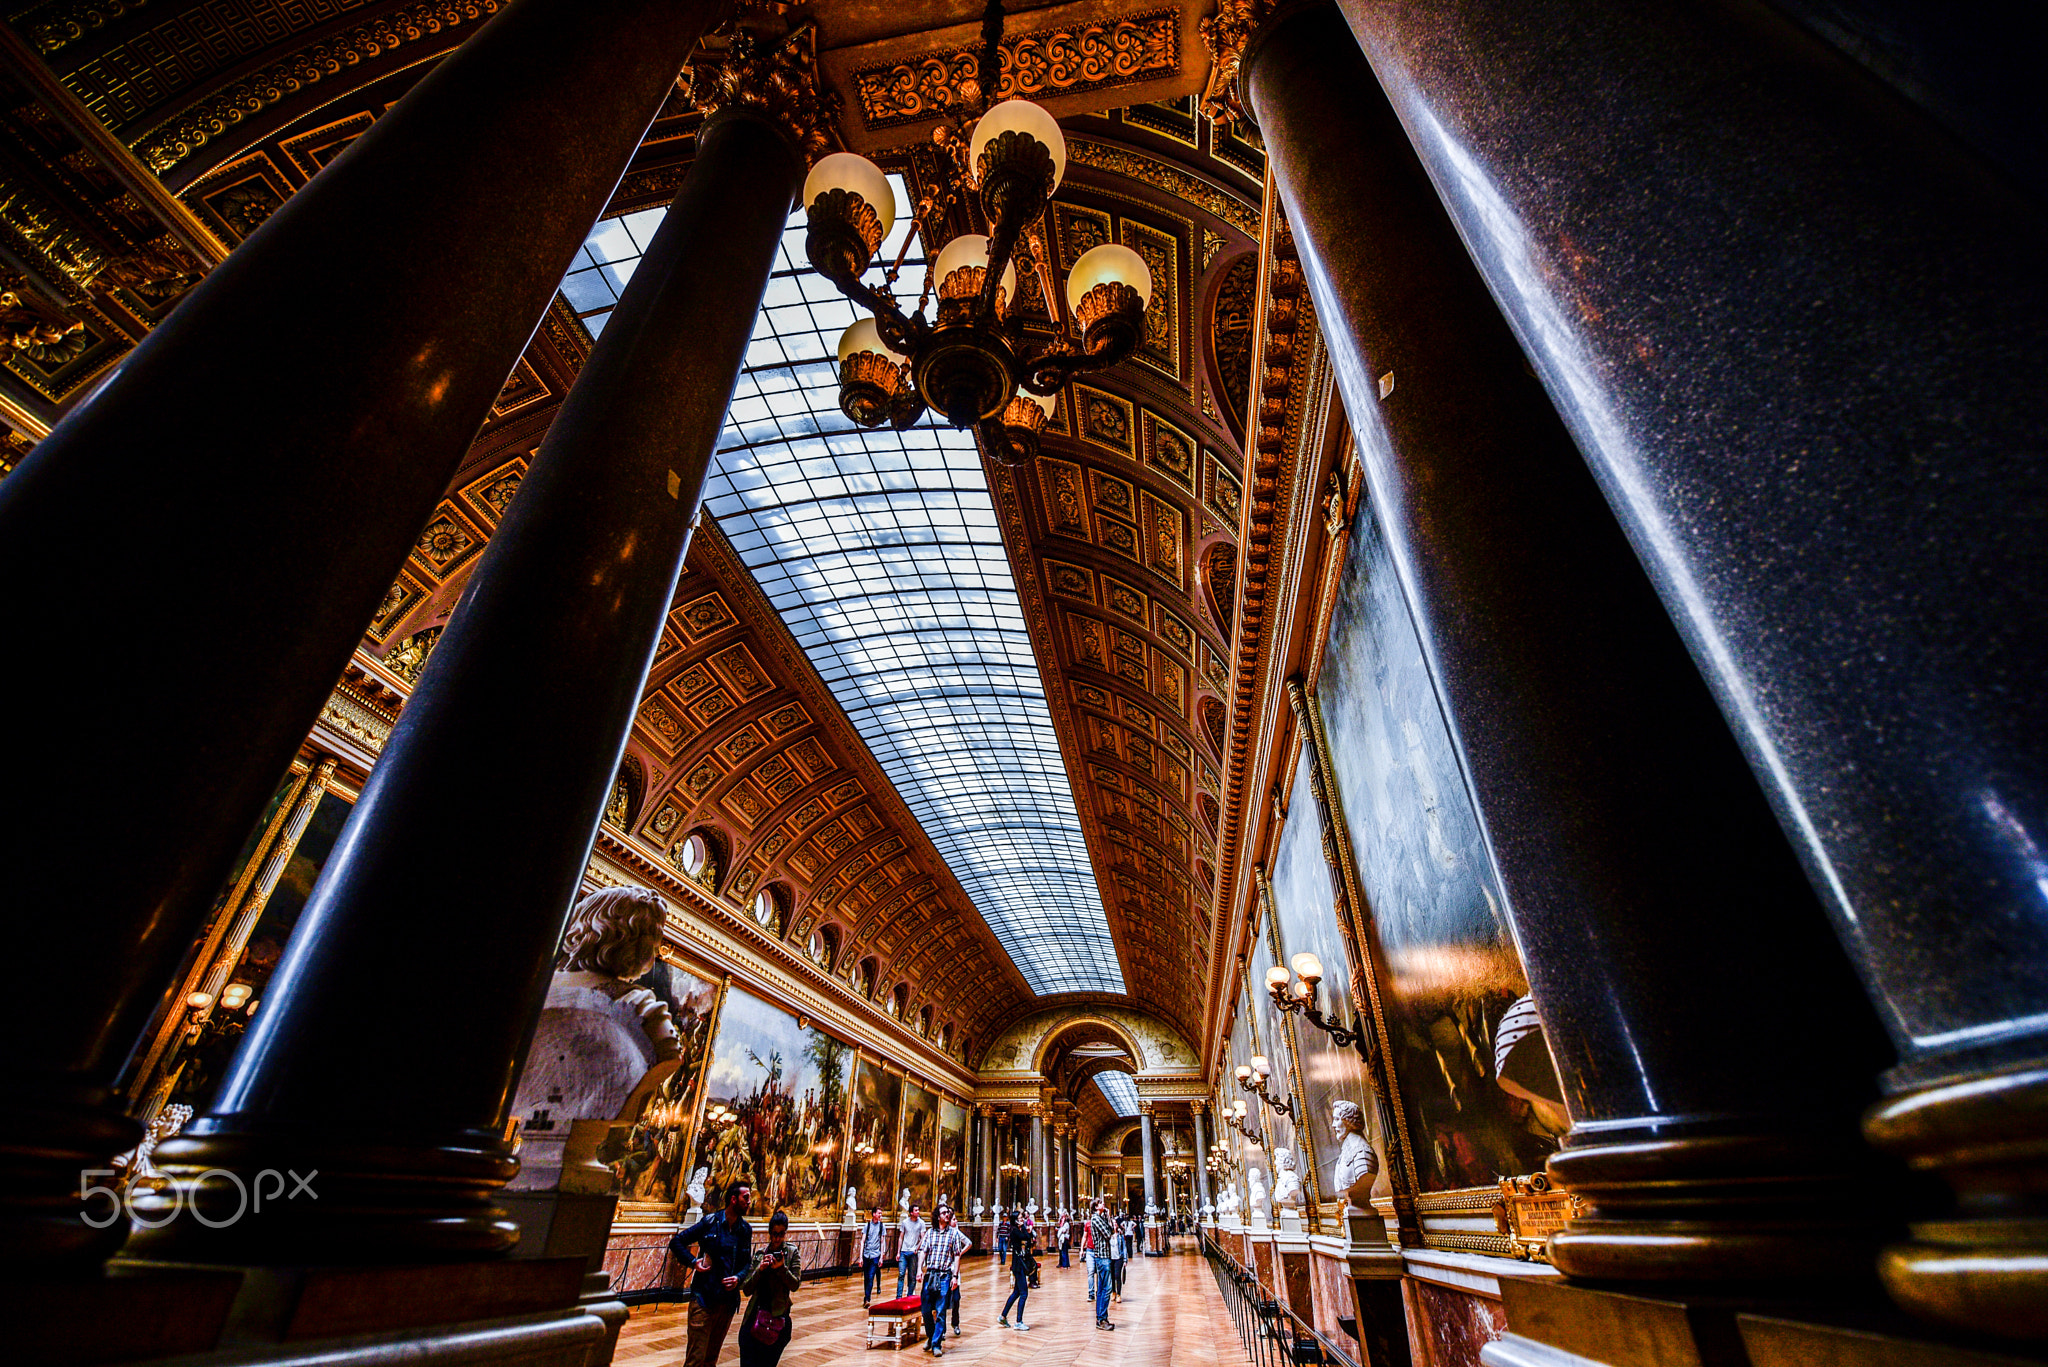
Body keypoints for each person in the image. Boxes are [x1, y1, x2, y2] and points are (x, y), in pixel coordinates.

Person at [669, 1182, 754, 1367]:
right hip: (704, 1300)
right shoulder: (710, 1222)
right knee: (695, 1359)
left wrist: (738, 1277)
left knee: (710, 1359)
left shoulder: (745, 1230)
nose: (749, 1202)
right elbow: (677, 1242)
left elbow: (747, 1262)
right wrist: (693, 1262)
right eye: (746, 1197)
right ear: (733, 1199)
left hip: (727, 1303)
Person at [737, 1210, 801, 1367]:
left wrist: (782, 1269)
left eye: (781, 1234)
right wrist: (760, 1270)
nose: (777, 1238)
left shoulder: (792, 1253)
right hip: (755, 1315)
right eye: (774, 1234)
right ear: (769, 1233)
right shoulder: (760, 1254)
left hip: (777, 1319)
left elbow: (795, 1285)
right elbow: (746, 1289)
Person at [917, 1205, 971, 1356]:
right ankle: (931, 1336)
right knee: (926, 1310)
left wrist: (955, 1276)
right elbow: (923, 1252)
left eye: (948, 1213)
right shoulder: (930, 1233)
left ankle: (936, 1344)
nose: (947, 1215)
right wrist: (919, 1269)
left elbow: (957, 1255)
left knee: (941, 1311)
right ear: (937, 1216)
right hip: (930, 1274)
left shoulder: (953, 1233)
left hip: (945, 1275)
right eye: (944, 1213)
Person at [999, 1216, 1036, 1331]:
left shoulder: (1017, 1230)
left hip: (1019, 1265)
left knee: (1016, 1292)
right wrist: (1024, 1227)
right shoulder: (1015, 1231)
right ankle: (1018, 1322)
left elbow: (1029, 1238)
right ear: (1015, 1220)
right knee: (1024, 1293)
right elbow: (1026, 1237)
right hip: (1018, 1266)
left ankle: (1003, 1316)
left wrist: (1024, 1228)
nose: (1022, 1219)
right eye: (1020, 1218)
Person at [1087, 1199, 1117, 1331]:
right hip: (1103, 1257)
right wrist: (1109, 1221)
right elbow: (1109, 1233)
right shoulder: (1096, 1219)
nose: (1103, 1204)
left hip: (1104, 1256)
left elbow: (1111, 1230)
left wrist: (1108, 1217)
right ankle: (1101, 1318)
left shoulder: (1101, 1218)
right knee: (1107, 1288)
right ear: (1095, 1207)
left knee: (1101, 1289)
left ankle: (1101, 1318)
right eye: (1100, 1203)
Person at [896, 1202, 927, 1298]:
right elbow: (901, 1237)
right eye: (916, 1210)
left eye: (918, 1210)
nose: (918, 1212)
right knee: (901, 1274)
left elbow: (923, 1238)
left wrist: (917, 1248)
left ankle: (909, 1296)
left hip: (914, 1252)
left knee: (912, 1276)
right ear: (911, 1213)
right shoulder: (905, 1222)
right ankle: (898, 1296)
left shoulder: (921, 1223)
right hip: (904, 1251)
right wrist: (898, 1252)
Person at [860, 1206, 887, 1307]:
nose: (880, 1215)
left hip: (875, 1255)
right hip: (866, 1254)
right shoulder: (867, 1226)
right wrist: (860, 1257)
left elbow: (882, 1242)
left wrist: (881, 1257)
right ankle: (866, 1296)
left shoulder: (882, 1226)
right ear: (874, 1214)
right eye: (879, 1213)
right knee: (866, 1277)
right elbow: (862, 1241)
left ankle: (868, 1299)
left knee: (871, 1276)